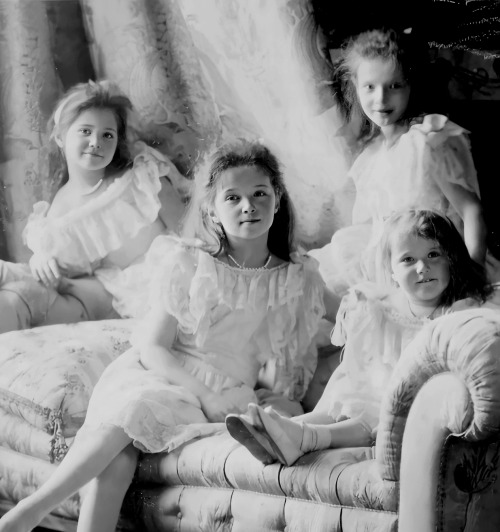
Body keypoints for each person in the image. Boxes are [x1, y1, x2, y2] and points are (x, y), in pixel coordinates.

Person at [0, 140, 326, 531]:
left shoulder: (297, 276)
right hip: (164, 373)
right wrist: (206, 395)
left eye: (260, 194)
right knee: (136, 412)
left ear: (277, 199)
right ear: (211, 209)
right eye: (233, 197)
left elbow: (338, 322)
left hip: (227, 391)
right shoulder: (190, 261)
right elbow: (153, 348)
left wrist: (281, 398)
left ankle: (32, 511)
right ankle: (35, 508)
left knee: (120, 459)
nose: (248, 206)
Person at [226, 209, 493, 466]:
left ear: (452, 259)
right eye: (408, 260)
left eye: (434, 254)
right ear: (392, 273)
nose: (422, 267)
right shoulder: (386, 309)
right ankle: (281, 429)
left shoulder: (458, 312)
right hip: (373, 393)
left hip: (405, 407)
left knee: (369, 414)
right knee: (341, 401)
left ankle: (304, 438)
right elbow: (359, 378)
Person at [309, 28, 488, 297]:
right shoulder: (373, 153)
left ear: (411, 85)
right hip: (392, 267)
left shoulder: (426, 141)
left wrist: (472, 279)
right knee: (308, 282)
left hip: (435, 268)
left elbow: (472, 212)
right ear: (355, 86)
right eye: (370, 87)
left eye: (394, 85)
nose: (380, 99)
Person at [0, 80, 188, 332]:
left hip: (162, 280)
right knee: (19, 286)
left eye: (107, 134)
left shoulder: (142, 179)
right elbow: (66, 274)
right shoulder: (61, 210)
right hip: (109, 289)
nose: (96, 142)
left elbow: (190, 232)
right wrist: (41, 258)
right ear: (59, 137)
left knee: (25, 290)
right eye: (85, 131)